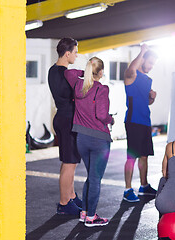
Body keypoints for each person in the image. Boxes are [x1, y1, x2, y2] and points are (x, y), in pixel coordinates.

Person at [64, 57, 114, 227]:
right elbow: (101, 115)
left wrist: (85, 72)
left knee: (91, 177)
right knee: (95, 178)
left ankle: (85, 212)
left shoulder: (78, 85)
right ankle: (91, 217)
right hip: (99, 140)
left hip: (81, 139)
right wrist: (111, 120)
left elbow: (68, 72)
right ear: (101, 73)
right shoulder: (102, 88)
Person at [48, 37, 82, 215]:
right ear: (67, 53)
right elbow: (74, 94)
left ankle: (71, 196)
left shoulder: (53, 71)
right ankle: (64, 203)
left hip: (63, 117)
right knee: (69, 163)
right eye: (75, 53)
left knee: (70, 162)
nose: (76, 56)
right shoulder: (65, 74)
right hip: (68, 120)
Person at [123, 44, 158, 202]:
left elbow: (146, 102)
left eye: (153, 64)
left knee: (144, 156)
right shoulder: (132, 75)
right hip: (133, 121)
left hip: (145, 121)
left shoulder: (148, 79)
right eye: (149, 62)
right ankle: (128, 190)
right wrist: (142, 51)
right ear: (142, 60)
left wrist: (152, 98)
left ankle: (144, 186)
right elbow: (131, 68)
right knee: (132, 157)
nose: (151, 66)